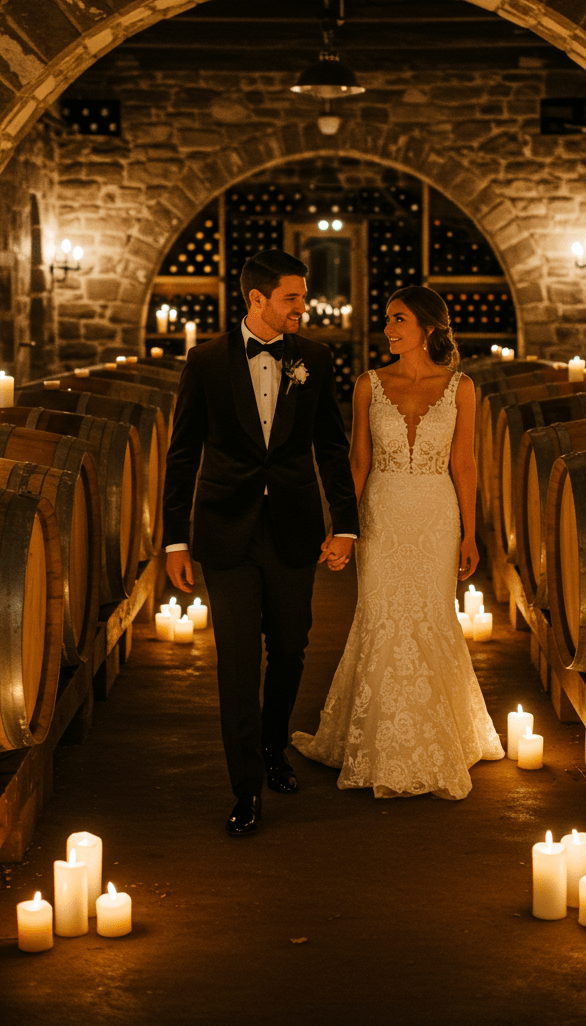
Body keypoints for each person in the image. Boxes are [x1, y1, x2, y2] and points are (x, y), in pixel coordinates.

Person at [163, 249, 360, 836]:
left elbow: (331, 443)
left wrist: (344, 525)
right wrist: (175, 540)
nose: (304, 306)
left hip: (294, 528)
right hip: (227, 531)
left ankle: (274, 747)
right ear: (257, 300)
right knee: (238, 662)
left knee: (292, 648)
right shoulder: (205, 362)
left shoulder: (316, 359)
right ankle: (245, 787)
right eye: (292, 298)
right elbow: (181, 455)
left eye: (302, 296)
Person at [292, 286, 504, 799]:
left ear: (427, 327)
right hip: (382, 512)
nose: (387, 328)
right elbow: (358, 462)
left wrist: (469, 533)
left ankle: (438, 737)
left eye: (398, 319)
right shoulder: (370, 384)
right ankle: (377, 740)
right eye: (387, 319)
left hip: (436, 512)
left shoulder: (461, 386)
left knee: (431, 616)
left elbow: (465, 464)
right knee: (381, 614)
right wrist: (342, 526)